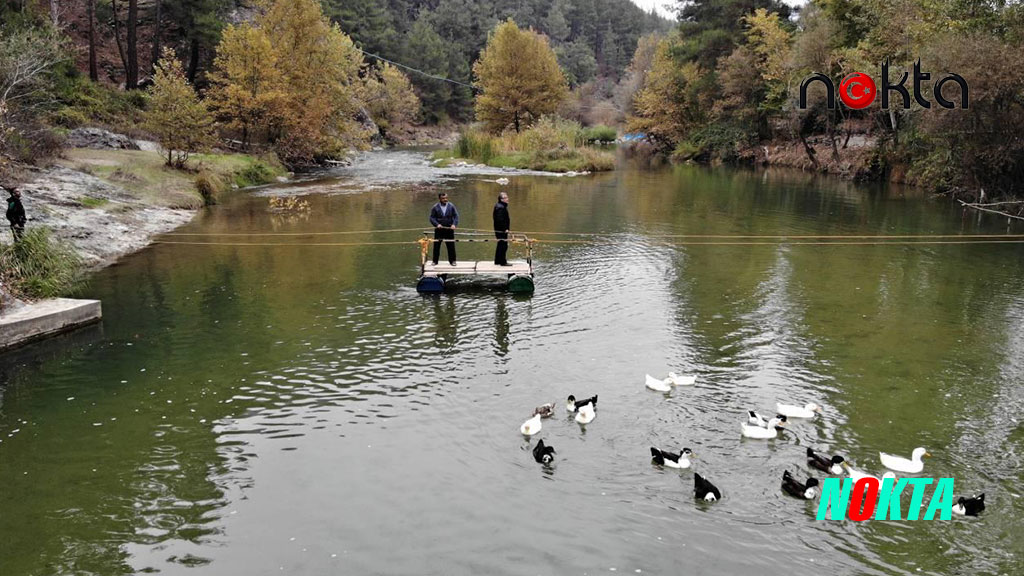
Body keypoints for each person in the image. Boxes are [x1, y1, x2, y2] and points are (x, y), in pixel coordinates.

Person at [429, 192, 459, 265]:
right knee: (437, 246)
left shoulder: (451, 206)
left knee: (451, 245)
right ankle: (435, 261)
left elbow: (456, 216)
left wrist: (454, 224)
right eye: (443, 198)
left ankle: (452, 261)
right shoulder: (435, 207)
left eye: (446, 198)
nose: (445, 199)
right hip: (439, 229)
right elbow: (431, 218)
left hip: (449, 229)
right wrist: (437, 224)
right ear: (439, 199)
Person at [493, 192, 511, 266]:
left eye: (507, 197)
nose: (507, 199)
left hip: (499, 229)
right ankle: (503, 262)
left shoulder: (500, 206)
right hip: (501, 230)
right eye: (506, 198)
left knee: (500, 244)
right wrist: (505, 229)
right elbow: (500, 220)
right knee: (503, 245)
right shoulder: (500, 207)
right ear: (501, 199)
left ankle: (497, 260)